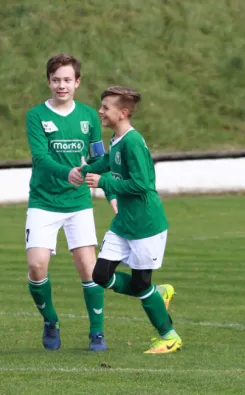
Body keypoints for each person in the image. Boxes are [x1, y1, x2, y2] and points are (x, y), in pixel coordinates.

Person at [24, 54, 116, 351]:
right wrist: (68, 173)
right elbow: (40, 157)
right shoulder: (36, 116)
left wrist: (110, 189)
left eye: (67, 80)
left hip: (78, 204)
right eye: (55, 80)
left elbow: (98, 157)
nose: (61, 85)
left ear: (77, 82)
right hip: (43, 200)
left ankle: (97, 333)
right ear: (48, 82)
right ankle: (51, 320)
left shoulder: (89, 116)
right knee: (37, 266)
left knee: (89, 268)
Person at [81, 86, 181, 354]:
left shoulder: (133, 142)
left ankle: (168, 335)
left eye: (105, 108)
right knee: (100, 275)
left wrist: (103, 182)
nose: (100, 111)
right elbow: (109, 162)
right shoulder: (117, 139)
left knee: (140, 284)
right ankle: (156, 293)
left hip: (145, 225)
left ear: (122, 113)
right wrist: (87, 169)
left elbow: (143, 184)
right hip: (124, 222)